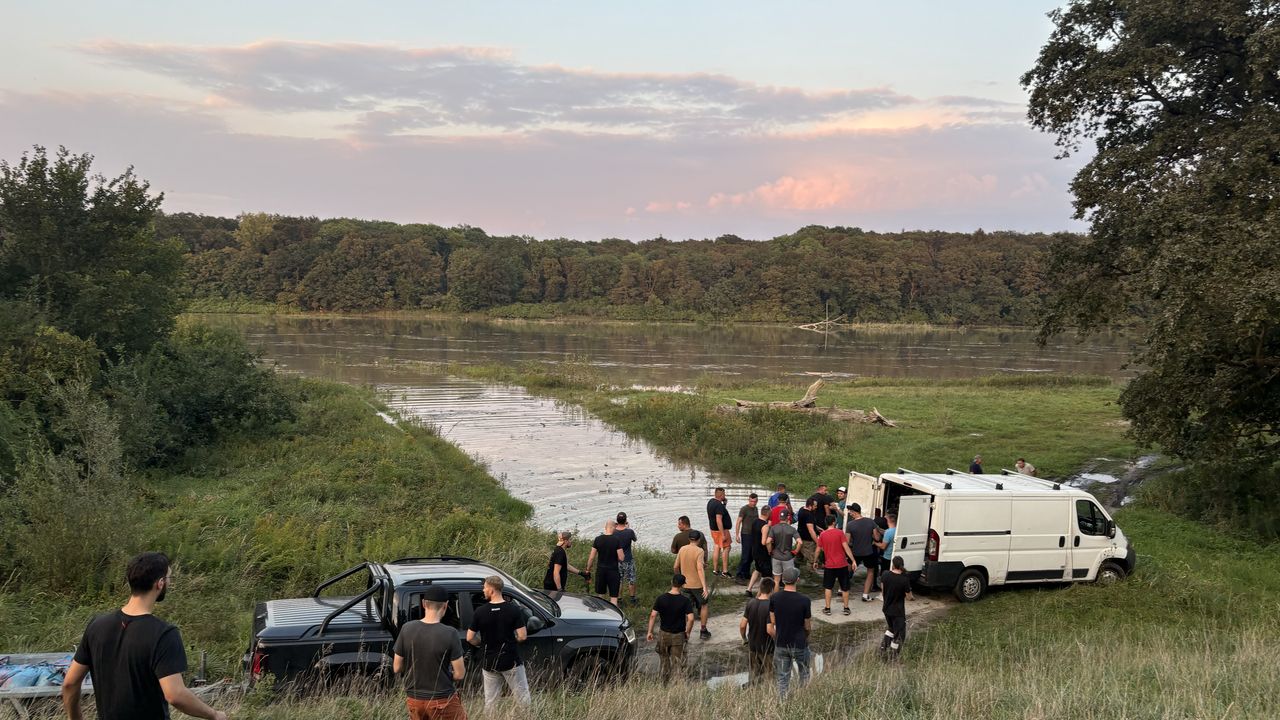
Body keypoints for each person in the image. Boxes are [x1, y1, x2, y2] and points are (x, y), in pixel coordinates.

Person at [61, 552, 227, 720]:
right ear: (160, 583)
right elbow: (175, 695)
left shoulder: (97, 625)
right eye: (169, 578)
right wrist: (214, 715)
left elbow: (70, 683)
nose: (169, 582)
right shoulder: (164, 634)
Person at [394, 584, 467, 720]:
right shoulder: (450, 633)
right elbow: (460, 674)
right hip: (442, 699)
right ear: (445, 605)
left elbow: (397, 667)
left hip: (414, 700)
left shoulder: (406, 628)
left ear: (423, 603)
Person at [466, 576, 529, 708]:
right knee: (523, 698)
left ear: (492, 590)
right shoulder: (513, 610)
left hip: (489, 662)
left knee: (491, 702)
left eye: (484, 587)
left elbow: (470, 637)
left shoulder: (480, 612)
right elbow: (523, 636)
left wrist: (481, 644)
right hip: (511, 661)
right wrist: (512, 641)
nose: (483, 590)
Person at [767, 567, 811, 698]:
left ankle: (782, 702)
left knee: (782, 677)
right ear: (797, 580)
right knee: (804, 674)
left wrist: (778, 635)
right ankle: (803, 700)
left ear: (783, 581)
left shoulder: (774, 598)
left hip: (781, 643)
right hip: (799, 643)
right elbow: (807, 626)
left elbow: (772, 621)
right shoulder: (805, 600)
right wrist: (806, 636)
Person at [646, 573, 695, 684]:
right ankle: (677, 685)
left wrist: (650, 632)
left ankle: (664, 683)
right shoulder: (685, 600)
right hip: (678, 635)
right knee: (677, 662)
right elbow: (691, 619)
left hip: (664, 634)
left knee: (664, 660)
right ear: (682, 585)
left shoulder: (661, 598)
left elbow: (653, 615)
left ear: (671, 582)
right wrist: (687, 632)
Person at [814, 517, 855, 616]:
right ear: (834, 522)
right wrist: (853, 560)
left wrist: (815, 561)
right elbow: (846, 547)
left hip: (829, 566)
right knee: (845, 587)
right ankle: (846, 608)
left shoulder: (822, 535)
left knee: (828, 587)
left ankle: (828, 608)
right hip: (842, 564)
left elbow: (818, 549)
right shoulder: (840, 533)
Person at [675, 530, 712, 639]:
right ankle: (703, 630)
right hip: (697, 585)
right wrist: (705, 587)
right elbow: (700, 569)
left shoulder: (682, 549)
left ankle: (685, 632)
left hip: (685, 585)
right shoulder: (699, 551)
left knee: (687, 609)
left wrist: (678, 581)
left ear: (689, 539)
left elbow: (675, 566)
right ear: (699, 539)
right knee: (704, 605)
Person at [739, 578, 775, 686]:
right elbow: (769, 629)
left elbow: (742, 625)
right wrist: (777, 640)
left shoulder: (751, 603)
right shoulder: (770, 606)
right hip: (767, 647)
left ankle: (752, 692)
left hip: (752, 645)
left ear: (760, 588)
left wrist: (744, 639)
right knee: (770, 674)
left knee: (754, 673)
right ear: (772, 590)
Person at [879, 556, 916, 661]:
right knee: (900, 635)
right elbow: (909, 597)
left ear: (893, 565)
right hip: (898, 611)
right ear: (902, 565)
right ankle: (893, 655)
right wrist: (912, 597)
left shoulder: (885, 575)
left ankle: (883, 647)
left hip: (886, 609)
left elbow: (883, 589)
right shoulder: (904, 580)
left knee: (891, 628)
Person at [847, 503, 881, 602]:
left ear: (854, 512)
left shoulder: (850, 525)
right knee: (870, 572)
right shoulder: (870, 522)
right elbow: (877, 537)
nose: (849, 513)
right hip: (869, 552)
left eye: (850, 511)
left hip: (855, 552)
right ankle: (865, 595)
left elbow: (847, 541)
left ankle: (842, 588)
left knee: (849, 570)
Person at [586, 520, 625, 606]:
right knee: (614, 597)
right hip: (613, 571)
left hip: (601, 571)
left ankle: (600, 614)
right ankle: (614, 617)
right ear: (613, 528)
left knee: (600, 596)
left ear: (605, 527)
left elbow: (591, 557)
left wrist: (588, 569)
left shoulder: (598, 539)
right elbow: (621, 558)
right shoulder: (616, 540)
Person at [766, 509, 800, 587]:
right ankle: (787, 597)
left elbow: (768, 542)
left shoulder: (773, 528)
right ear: (787, 517)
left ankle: (775, 597)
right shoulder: (792, 529)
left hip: (776, 557)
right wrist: (795, 551)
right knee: (789, 581)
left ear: (779, 517)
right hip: (788, 557)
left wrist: (770, 551)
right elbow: (800, 542)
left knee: (776, 580)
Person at [745, 506, 773, 596]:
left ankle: (748, 589)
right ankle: (758, 595)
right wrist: (770, 549)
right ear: (768, 513)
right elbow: (764, 542)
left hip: (754, 550)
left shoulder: (755, 521)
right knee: (765, 575)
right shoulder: (765, 526)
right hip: (762, 553)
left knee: (757, 569)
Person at [706, 487, 734, 577]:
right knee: (727, 548)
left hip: (713, 529)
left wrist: (724, 504)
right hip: (721, 530)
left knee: (717, 547)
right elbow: (719, 520)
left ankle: (715, 570)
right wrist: (723, 534)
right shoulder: (718, 505)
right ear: (721, 495)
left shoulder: (711, 502)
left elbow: (717, 514)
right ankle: (725, 572)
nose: (725, 496)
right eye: (724, 494)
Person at [614, 512, 639, 605]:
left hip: (616, 560)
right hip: (628, 559)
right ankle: (632, 599)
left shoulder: (613, 532)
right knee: (631, 579)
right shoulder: (629, 531)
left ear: (617, 521)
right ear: (625, 520)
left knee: (619, 579)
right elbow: (635, 539)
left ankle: (619, 599)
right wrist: (628, 528)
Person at [735, 493, 760, 582]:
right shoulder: (744, 509)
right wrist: (737, 535)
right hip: (746, 534)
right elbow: (738, 522)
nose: (753, 503)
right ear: (748, 500)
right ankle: (739, 574)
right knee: (745, 556)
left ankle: (746, 573)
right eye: (751, 501)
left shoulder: (756, 509)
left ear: (757, 501)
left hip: (754, 535)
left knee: (751, 555)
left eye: (754, 501)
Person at [796, 496, 821, 571]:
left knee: (799, 557)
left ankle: (795, 572)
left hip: (799, 537)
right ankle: (808, 578)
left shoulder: (801, 509)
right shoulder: (808, 515)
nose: (816, 507)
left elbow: (809, 524)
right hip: (807, 541)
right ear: (810, 506)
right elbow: (811, 531)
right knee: (812, 559)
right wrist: (818, 542)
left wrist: (818, 528)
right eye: (815, 506)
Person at [876, 512, 899, 581]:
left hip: (887, 557)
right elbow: (886, 532)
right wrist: (879, 529)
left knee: (885, 577)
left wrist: (875, 543)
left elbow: (883, 546)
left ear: (888, 521)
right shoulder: (897, 530)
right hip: (895, 556)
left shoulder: (888, 532)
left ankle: (884, 589)